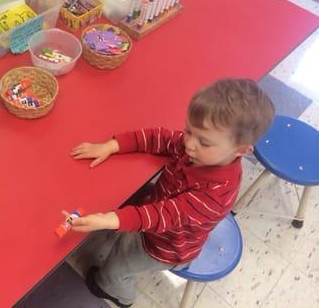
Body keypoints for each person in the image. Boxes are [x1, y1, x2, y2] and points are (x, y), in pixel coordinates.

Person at [69, 78, 275, 308]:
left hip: (164, 247)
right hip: (160, 211)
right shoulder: (198, 149)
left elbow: (162, 216)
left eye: (204, 142)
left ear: (241, 151)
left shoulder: (214, 195)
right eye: (188, 131)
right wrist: (112, 145)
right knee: (124, 204)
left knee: (114, 269)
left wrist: (109, 219)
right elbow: (161, 138)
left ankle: (117, 294)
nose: (189, 144)